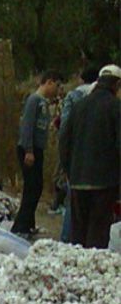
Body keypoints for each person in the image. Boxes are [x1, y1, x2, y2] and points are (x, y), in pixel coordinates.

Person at [59, 64, 120, 249]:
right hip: (104, 181)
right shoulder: (116, 108)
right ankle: (93, 270)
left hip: (77, 179)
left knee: (79, 231)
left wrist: (69, 171)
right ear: (117, 85)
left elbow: (64, 140)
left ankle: (77, 268)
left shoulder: (79, 106)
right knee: (98, 231)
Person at [10, 70, 63, 238]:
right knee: (32, 188)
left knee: (37, 186)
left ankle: (29, 223)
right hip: (29, 149)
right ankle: (20, 227)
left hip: (37, 149)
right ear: (48, 82)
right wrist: (29, 150)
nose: (57, 89)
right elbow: (27, 126)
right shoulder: (34, 100)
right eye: (56, 85)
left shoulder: (44, 103)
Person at [56, 66, 100, 242]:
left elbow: (65, 129)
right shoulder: (105, 100)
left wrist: (65, 161)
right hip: (96, 160)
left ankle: (67, 241)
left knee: (72, 202)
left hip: (76, 158)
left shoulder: (74, 97)